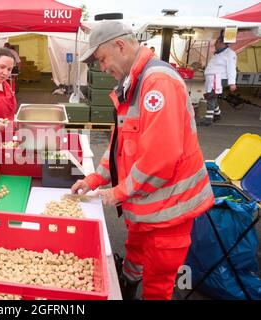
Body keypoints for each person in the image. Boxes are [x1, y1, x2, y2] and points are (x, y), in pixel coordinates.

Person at [71, 20, 214, 300]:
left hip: (168, 210)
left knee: (158, 283)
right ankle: (128, 284)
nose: (102, 68)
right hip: (144, 205)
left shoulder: (157, 83)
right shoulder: (132, 83)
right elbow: (119, 148)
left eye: (101, 59)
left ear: (120, 46)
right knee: (134, 255)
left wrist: (117, 193)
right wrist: (94, 179)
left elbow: (161, 158)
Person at [200, 31, 237, 126]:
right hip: (212, 79)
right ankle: (218, 115)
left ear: (221, 43)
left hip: (218, 79)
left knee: (211, 97)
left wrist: (232, 83)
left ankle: (208, 120)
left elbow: (231, 68)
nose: (214, 44)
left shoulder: (230, 53)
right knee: (212, 96)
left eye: (216, 42)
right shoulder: (218, 53)